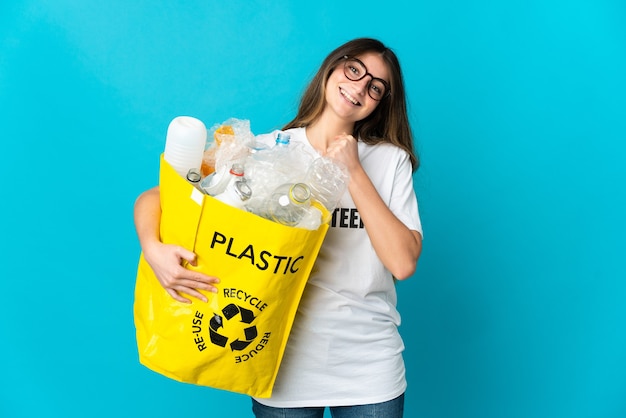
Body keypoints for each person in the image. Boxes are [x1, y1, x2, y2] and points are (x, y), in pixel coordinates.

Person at [134, 37, 423, 418]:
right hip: (278, 360)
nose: (359, 86)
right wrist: (153, 250)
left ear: (379, 104)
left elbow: (402, 263)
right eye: (354, 70)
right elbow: (158, 196)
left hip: (367, 364)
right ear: (332, 68)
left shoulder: (388, 161)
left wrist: (352, 169)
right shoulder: (265, 152)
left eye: (375, 87)